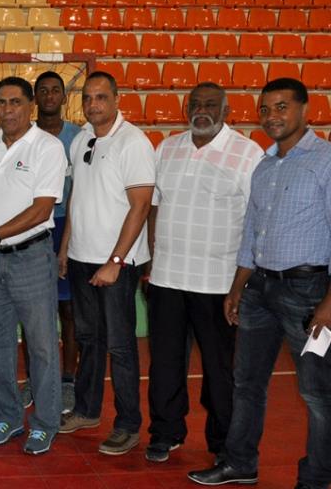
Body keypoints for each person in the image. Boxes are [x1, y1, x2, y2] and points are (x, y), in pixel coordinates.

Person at [189, 78, 331, 488]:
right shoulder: (265, 165)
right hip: (260, 289)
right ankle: (240, 463)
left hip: (308, 292)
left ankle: (317, 478)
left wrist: (328, 304)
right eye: (265, 109)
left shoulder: (325, 162)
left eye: (282, 107)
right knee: (247, 383)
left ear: (306, 109)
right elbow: (252, 230)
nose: (271, 117)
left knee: (318, 393)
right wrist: (238, 287)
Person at [145, 83, 263, 464]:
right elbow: (154, 207)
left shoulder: (248, 153)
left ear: (226, 111)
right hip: (167, 278)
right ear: (186, 108)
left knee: (219, 369)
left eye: (211, 105)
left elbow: (256, 220)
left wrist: (241, 282)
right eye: (195, 104)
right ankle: (165, 432)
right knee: (164, 364)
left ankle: (224, 442)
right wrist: (152, 261)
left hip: (219, 283)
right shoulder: (167, 148)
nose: (202, 110)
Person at [0, 76, 66, 455]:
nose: (7, 110)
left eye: (15, 102)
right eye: (1, 103)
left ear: (30, 105)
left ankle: (45, 423)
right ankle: (7, 416)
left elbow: (42, 209)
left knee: (41, 346)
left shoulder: (47, 147)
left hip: (31, 257)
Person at [58, 71, 155, 456]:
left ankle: (128, 425)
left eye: (101, 97)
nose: (93, 104)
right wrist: (66, 248)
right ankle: (86, 410)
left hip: (117, 263)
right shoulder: (81, 138)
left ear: (117, 99)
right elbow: (77, 198)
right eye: (87, 97)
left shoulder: (133, 142)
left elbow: (141, 206)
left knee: (120, 345)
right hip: (82, 259)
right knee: (88, 339)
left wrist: (115, 260)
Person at [33, 71, 82, 415]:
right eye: (43, 91)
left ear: (64, 97)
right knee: (35, 311)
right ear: (35, 98)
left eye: (55, 91)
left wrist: (68, 238)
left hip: (67, 225)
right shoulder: (25, 135)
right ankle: (40, 377)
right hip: (33, 227)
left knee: (68, 309)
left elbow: (82, 188)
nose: (49, 96)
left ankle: (67, 378)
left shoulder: (78, 138)